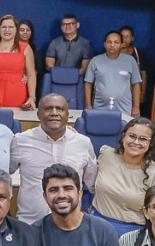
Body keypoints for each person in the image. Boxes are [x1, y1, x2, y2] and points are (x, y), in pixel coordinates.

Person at [9, 94, 98, 224]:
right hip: (30, 224)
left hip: (70, 226)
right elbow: (4, 172)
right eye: (48, 109)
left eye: (60, 109)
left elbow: (93, 185)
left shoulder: (83, 143)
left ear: (68, 114)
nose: (54, 113)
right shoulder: (21, 141)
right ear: (38, 114)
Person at [92, 117, 155, 235]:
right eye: (132, 136)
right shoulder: (106, 155)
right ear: (123, 135)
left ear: (150, 143)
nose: (136, 142)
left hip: (130, 234)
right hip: (95, 225)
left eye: (143, 139)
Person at [84, 31, 142, 116]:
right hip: (100, 107)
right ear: (104, 44)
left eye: (116, 42)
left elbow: (136, 84)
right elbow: (88, 84)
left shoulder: (130, 61)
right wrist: (88, 105)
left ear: (122, 44)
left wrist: (136, 107)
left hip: (124, 107)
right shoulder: (95, 61)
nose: (112, 45)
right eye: (109, 42)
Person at [0, 14, 36, 110]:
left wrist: (32, 97)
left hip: (17, 92)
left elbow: (31, 74)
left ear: (16, 29)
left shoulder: (25, 48)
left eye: (11, 27)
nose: (7, 30)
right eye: (4, 27)